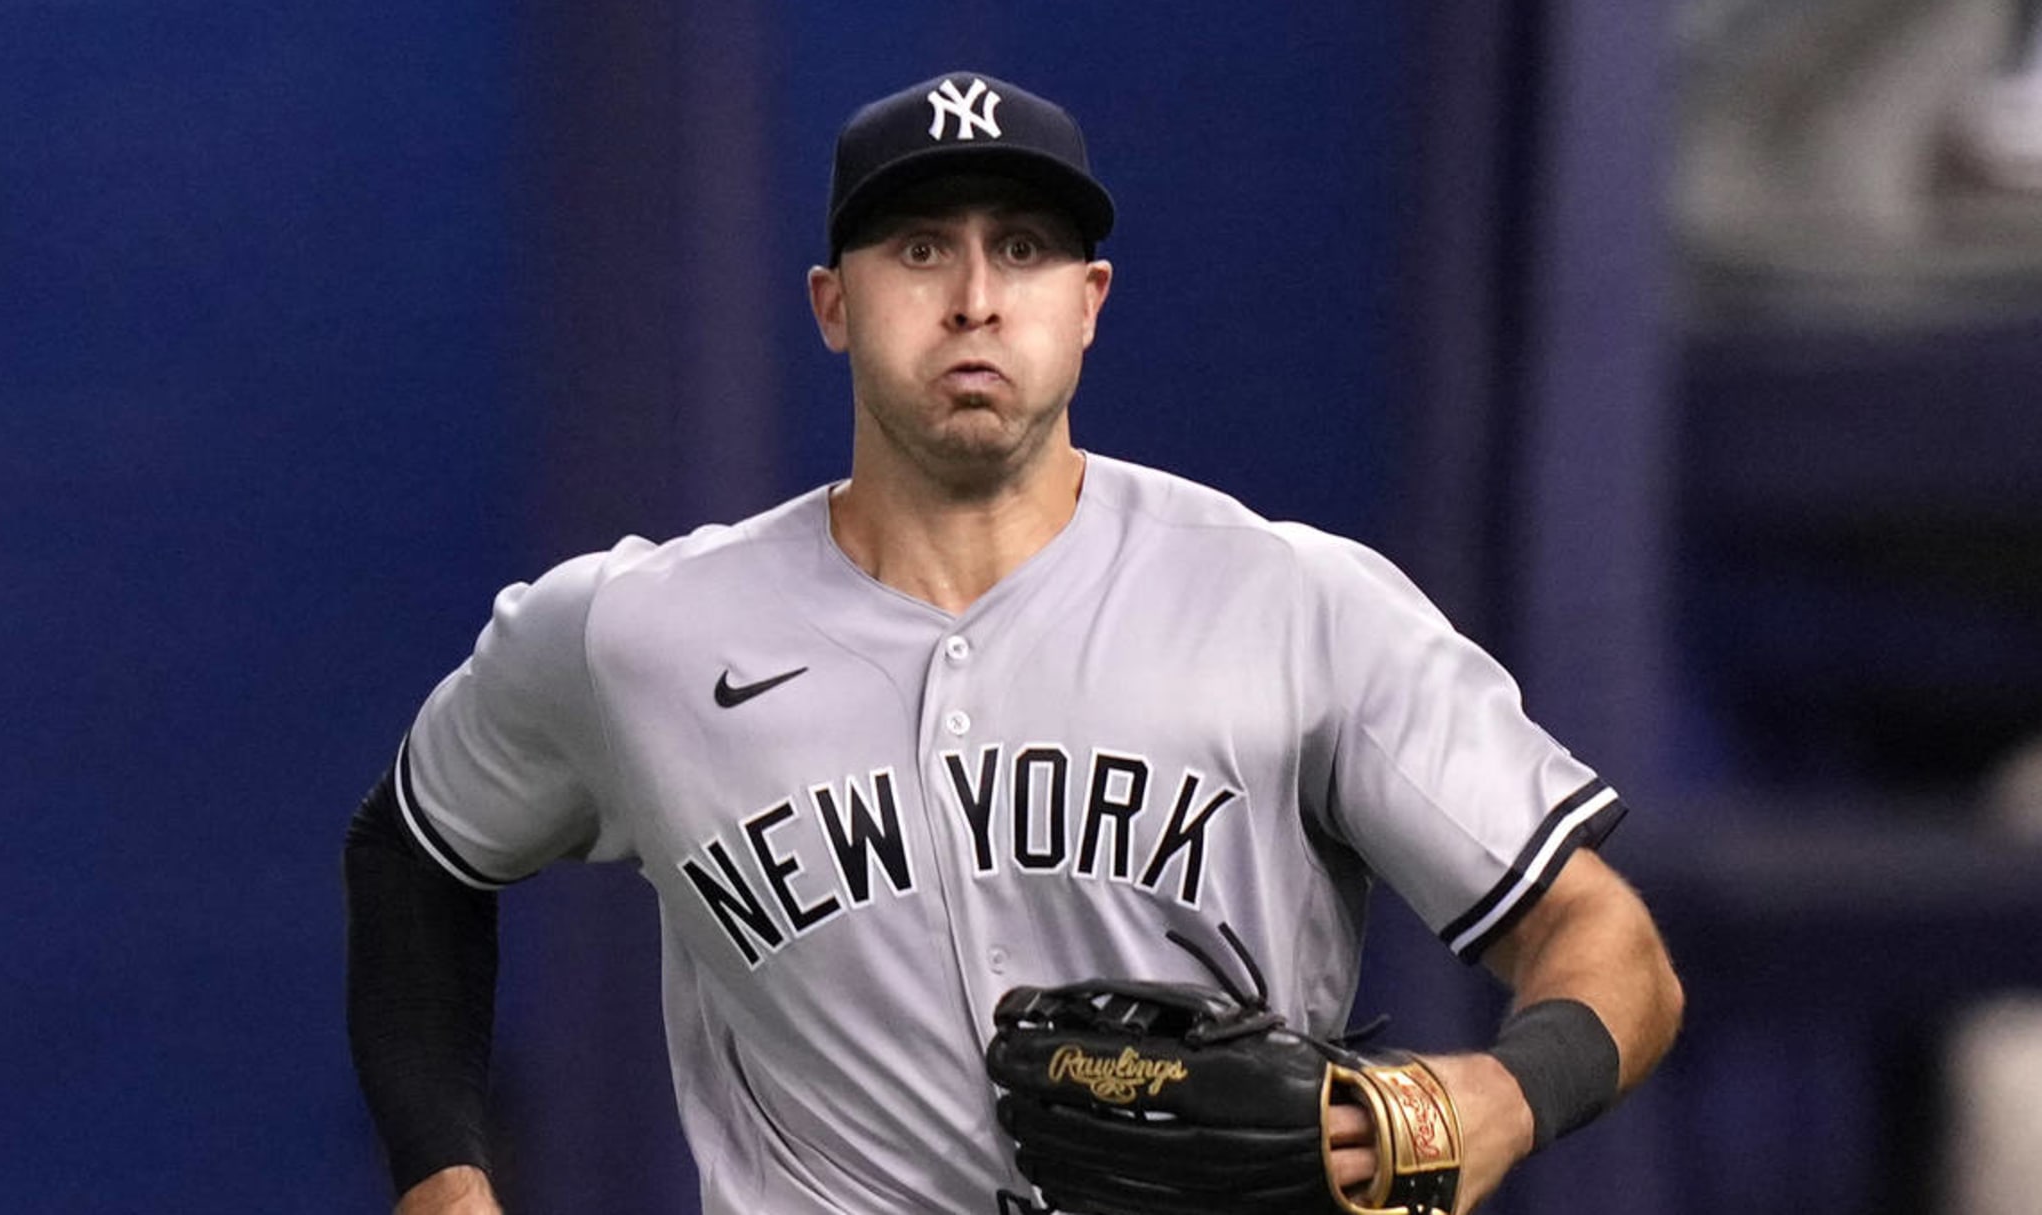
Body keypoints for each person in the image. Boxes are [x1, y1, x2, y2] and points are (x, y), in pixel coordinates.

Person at [344, 70, 1685, 1215]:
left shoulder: (1297, 606)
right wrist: (442, 1178)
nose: (976, 295)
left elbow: (1607, 939)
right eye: (920, 248)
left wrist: (1496, 1097)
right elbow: (412, 848)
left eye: (1025, 249)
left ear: (1090, 300)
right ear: (832, 303)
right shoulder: (634, 636)